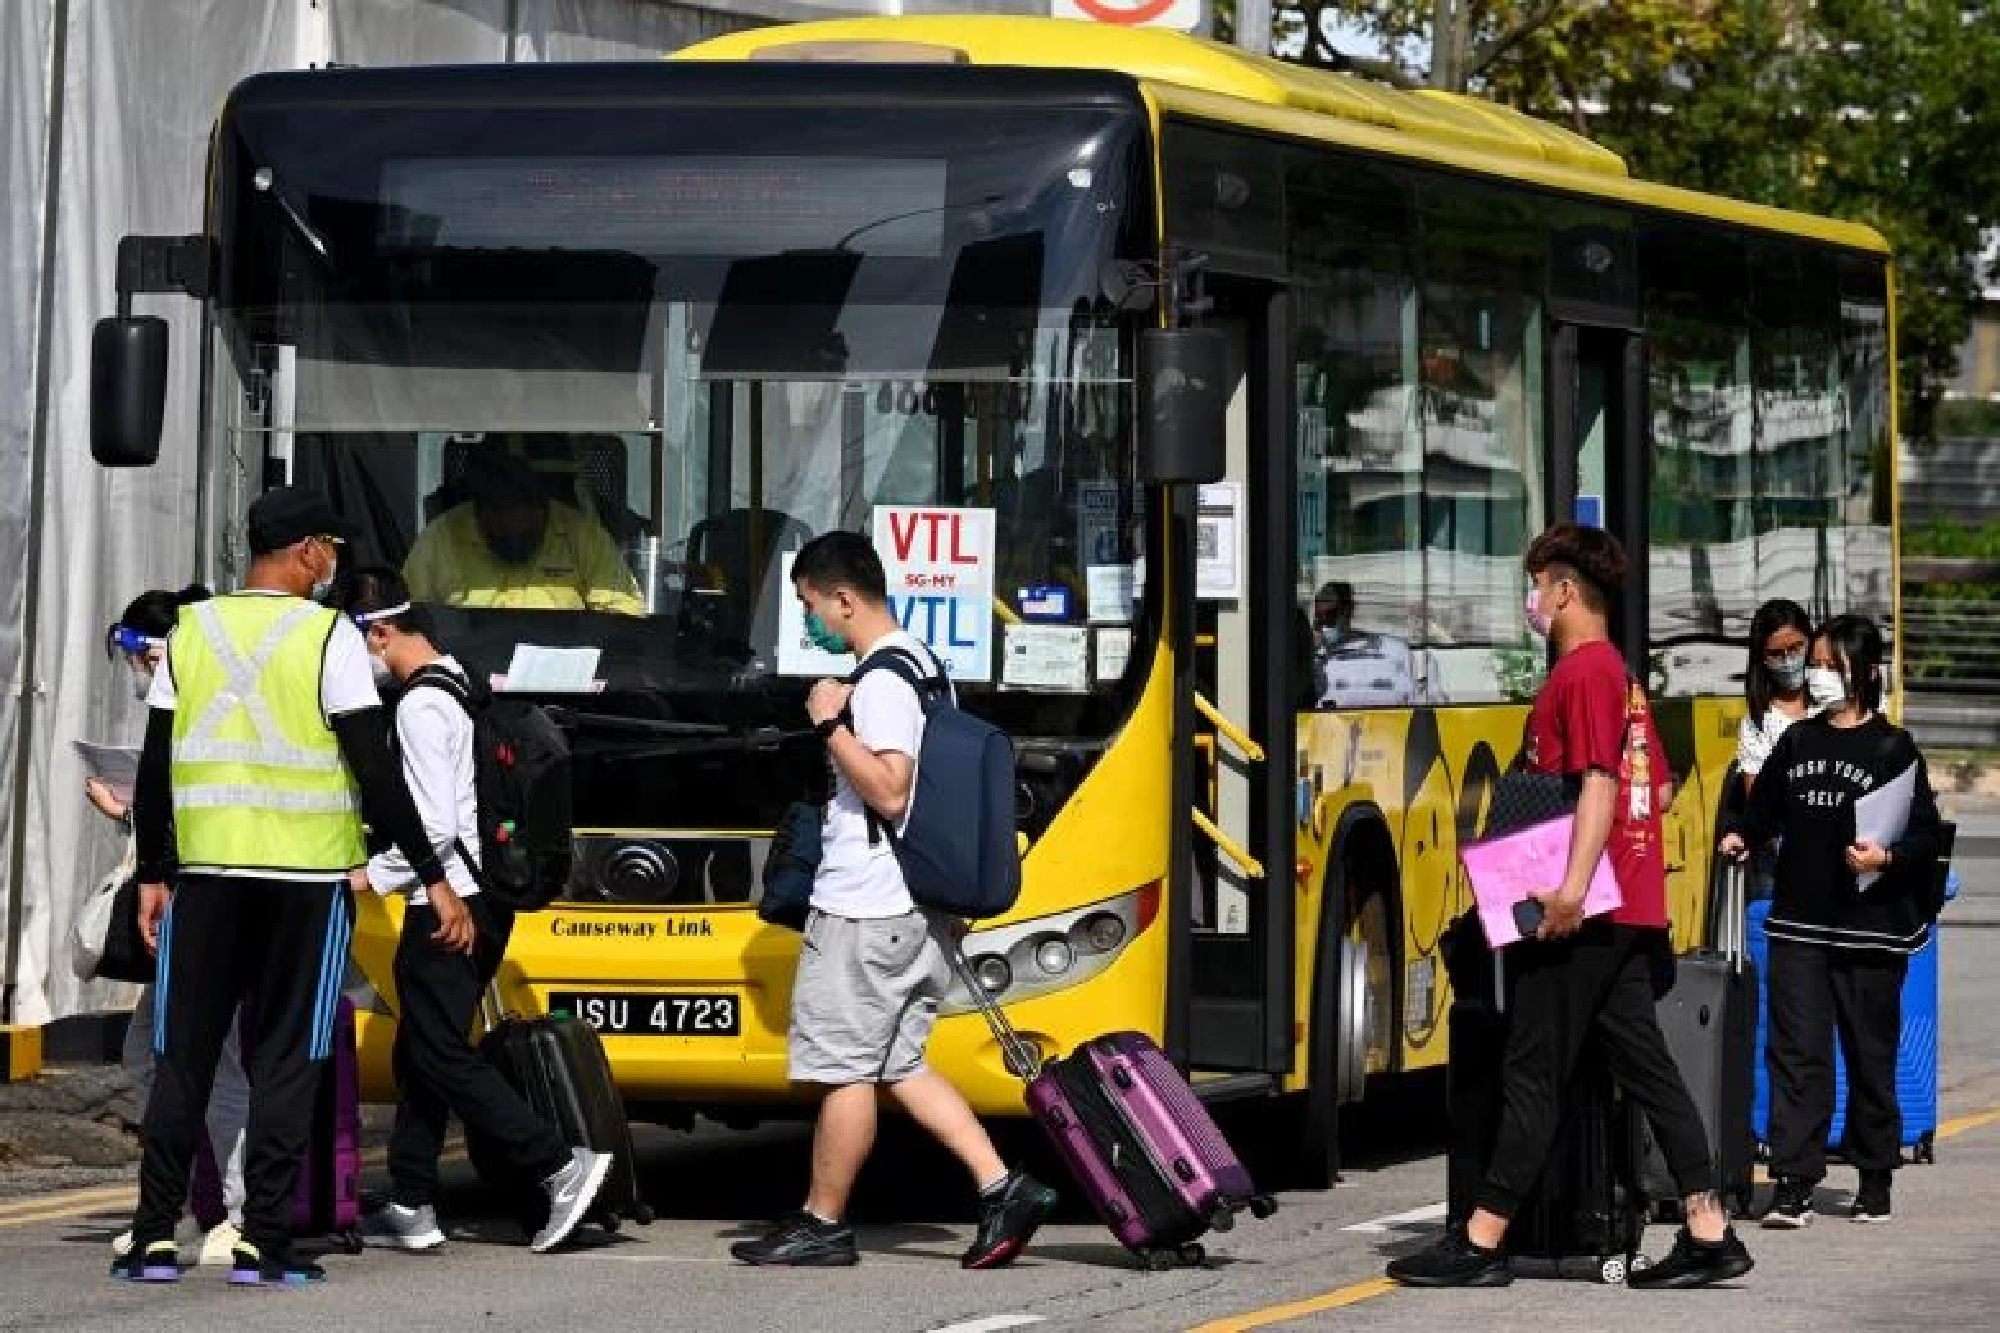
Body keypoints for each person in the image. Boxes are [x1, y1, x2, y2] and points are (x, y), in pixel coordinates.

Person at [1387, 523, 1753, 1289]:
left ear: (1564, 589)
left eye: (1538, 584)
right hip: (1628, 906)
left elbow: (1599, 782)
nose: (1533, 599)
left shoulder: (1584, 671)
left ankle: (1482, 1238)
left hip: (1583, 910)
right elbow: (1642, 788)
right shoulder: (1620, 676)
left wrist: (1571, 891)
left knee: (1532, 1067)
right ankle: (1708, 1227)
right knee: (1648, 1069)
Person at [117, 486, 465, 1288]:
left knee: (183, 1056)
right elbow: (373, 767)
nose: (335, 560)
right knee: (286, 1059)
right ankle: (264, 1240)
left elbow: (156, 765)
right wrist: (434, 873)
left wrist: (153, 873)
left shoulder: (191, 630)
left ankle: (152, 1237)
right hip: (304, 885)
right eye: (331, 547)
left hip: (206, 878)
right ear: (307, 550)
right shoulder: (329, 635)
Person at [730, 531, 1057, 1269]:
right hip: (913, 906)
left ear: (844, 599)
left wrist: (827, 723)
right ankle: (1003, 1185)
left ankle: (822, 1221)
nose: (810, 620)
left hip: (867, 909)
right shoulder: (924, 665)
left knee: (845, 1070)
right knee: (899, 1064)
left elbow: (890, 788)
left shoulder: (880, 681)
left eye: (810, 605)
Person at [339, 568, 610, 1254]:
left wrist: (372, 874)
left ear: (380, 633)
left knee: (437, 1050)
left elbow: (432, 824)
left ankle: (557, 1163)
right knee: (418, 1050)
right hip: (484, 893)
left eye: (352, 645)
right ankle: (410, 1200)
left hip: (450, 900)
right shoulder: (457, 678)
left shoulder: (418, 706)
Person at [1719, 614, 1941, 1229]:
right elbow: (1760, 810)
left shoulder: (1894, 748)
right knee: (1796, 1054)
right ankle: (1794, 1183)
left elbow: (1925, 835)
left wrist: (1885, 858)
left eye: (1827, 664)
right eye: (1813, 664)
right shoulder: (1797, 742)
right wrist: (1741, 836)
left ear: (1862, 671)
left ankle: (1875, 1177)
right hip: (1800, 926)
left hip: (1871, 929)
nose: (1815, 675)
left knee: (1870, 1054)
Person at [97, 586, 252, 1267]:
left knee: (220, 1067)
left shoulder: (201, 707)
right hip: (192, 901)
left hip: (209, 903)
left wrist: (130, 817)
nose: (135, 670)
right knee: (150, 1057)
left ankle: (236, 1216)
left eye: (137, 653)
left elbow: (191, 809)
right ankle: (187, 1203)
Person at [404, 450, 644, 615]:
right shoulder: (441, 538)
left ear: (544, 508)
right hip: (466, 669)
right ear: (479, 510)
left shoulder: (583, 537)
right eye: (501, 530)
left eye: (526, 533)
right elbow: (407, 622)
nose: (513, 535)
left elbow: (623, 617)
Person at [1737, 599, 1816, 801]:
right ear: (1762, 658)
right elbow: (1757, 802)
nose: (1788, 661)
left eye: (1796, 647)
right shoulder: (1758, 724)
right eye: (1776, 654)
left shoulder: (1834, 701)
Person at [1310, 581, 1424, 708]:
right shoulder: (1314, 658)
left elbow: (1415, 701)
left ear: (1348, 610)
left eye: (1331, 615)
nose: (1324, 623)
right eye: (1319, 617)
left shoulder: (1393, 651)